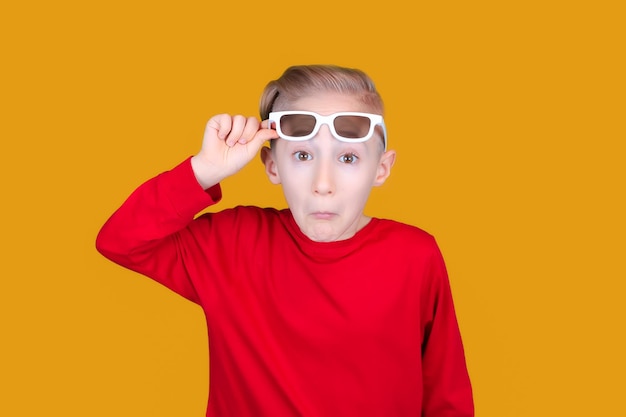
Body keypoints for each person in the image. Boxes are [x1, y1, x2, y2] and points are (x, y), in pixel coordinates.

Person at [96, 64, 474, 416]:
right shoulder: (231, 243)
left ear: (382, 168)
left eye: (348, 159)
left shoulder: (415, 255)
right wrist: (203, 171)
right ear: (272, 166)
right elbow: (120, 240)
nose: (323, 185)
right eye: (303, 155)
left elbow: (446, 393)